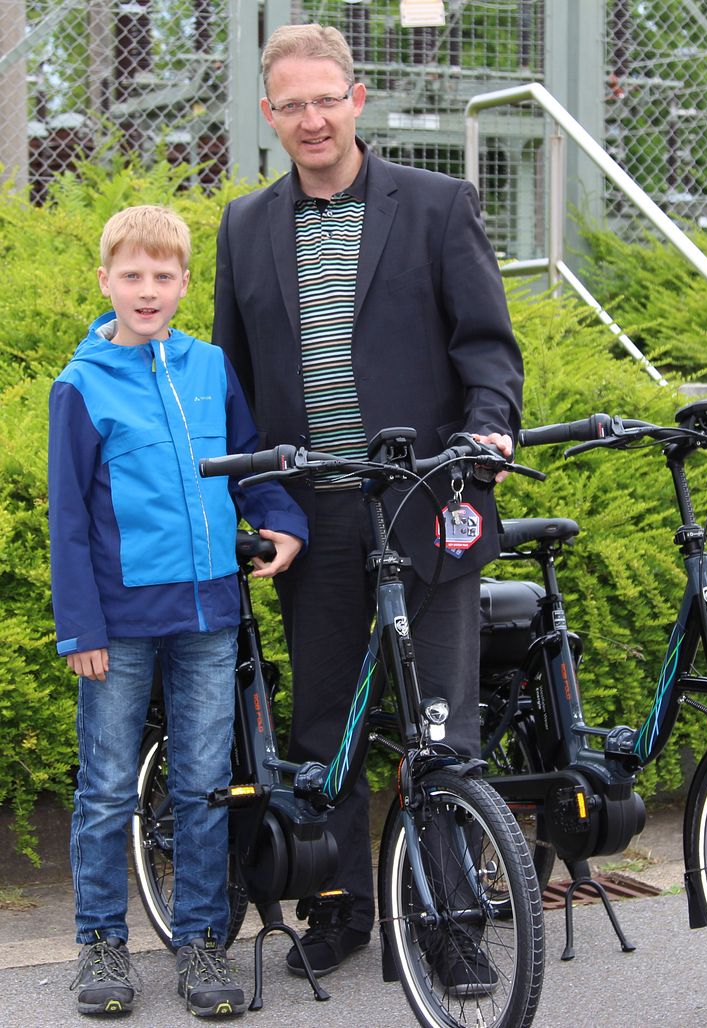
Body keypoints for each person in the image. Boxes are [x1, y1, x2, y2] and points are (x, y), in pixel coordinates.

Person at [212, 23, 523, 983]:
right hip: (316, 516)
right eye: (290, 104)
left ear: (357, 99)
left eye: (325, 98)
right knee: (323, 725)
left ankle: (451, 923)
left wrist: (487, 434)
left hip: (427, 500)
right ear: (271, 117)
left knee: (443, 724)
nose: (311, 118)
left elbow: (487, 348)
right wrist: (259, 500)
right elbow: (236, 383)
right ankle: (343, 908)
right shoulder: (244, 225)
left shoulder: (436, 205)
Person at [48, 204, 308, 1017]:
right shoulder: (80, 385)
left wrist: (281, 520)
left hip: (209, 614)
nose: (148, 289)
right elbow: (69, 519)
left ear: (185, 283)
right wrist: (81, 627)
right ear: (105, 282)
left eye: (164, 276)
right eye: (133, 275)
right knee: (106, 790)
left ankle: (200, 944)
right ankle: (100, 946)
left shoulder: (209, 367)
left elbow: (247, 461)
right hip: (118, 625)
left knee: (201, 785)